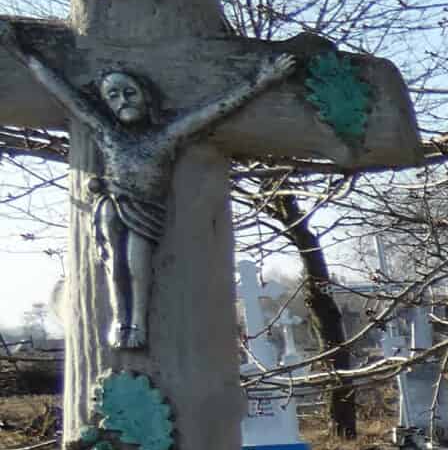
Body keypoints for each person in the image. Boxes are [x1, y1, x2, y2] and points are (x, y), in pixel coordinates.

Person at [0, 22, 300, 349]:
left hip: (144, 209)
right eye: (113, 96)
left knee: (137, 265)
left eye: (130, 92)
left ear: (145, 95)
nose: (122, 101)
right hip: (111, 205)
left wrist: (263, 80)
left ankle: (138, 324)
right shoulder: (107, 132)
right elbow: (64, 93)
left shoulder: (166, 136)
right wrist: (20, 50)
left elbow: (216, 110)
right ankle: (121, 322)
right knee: (115, 267)